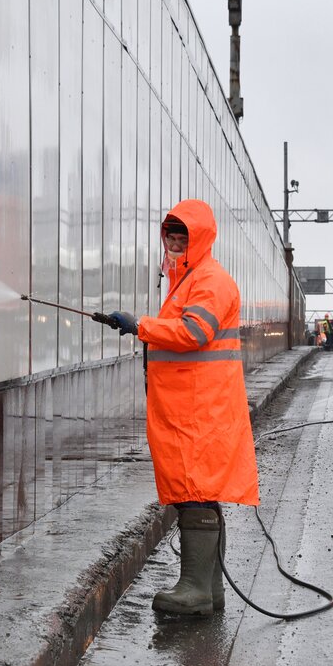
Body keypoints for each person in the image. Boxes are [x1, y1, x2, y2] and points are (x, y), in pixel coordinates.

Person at [107, 199, 259, 615]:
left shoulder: (209, 280)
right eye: (170, 237)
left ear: (200, 239)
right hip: (190, 406)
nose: (175, 245)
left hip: (200, 408)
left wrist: (140, 325)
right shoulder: (186, 280)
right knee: (200, 493)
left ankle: (195, 589)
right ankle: (209, 590)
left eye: (182, 238)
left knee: (195, 492)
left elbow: (194, 332)